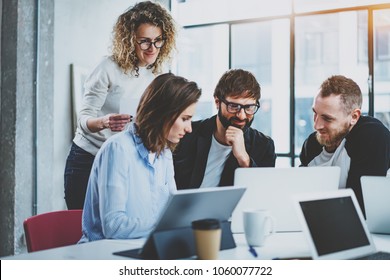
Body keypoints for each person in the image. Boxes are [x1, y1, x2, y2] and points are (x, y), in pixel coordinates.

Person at [64, 1, 177, 209]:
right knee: (82, 227)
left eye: (158, 40)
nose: (152, 48)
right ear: (130, 40)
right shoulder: (108, 68)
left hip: (126, 160)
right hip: (89, 158)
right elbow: (83, 120)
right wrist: (105, 122)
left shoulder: (161, 73)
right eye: (144, 41)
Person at [79, 73, 202, 242]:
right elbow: (113, 226)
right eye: (185, 119)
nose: (189, 129)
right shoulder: (118, 149)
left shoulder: (164, 152)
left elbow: (169, 211)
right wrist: (169, 224)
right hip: (106, 253)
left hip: (145, 245)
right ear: (163, 114)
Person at [299, 75, 390, 215]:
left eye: (327, 118)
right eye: (315, 114)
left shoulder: (371, 135)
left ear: (354, 117)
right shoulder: (312, 144)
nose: (317, 125)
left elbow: (361, 207)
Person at [173, 69, 276, 189]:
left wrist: (244, 159)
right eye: (234, 106)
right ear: (217, 102)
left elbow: (264, 193)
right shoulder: (187, 134)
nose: (241, 115)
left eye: (249, 107)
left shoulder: (263, 145)